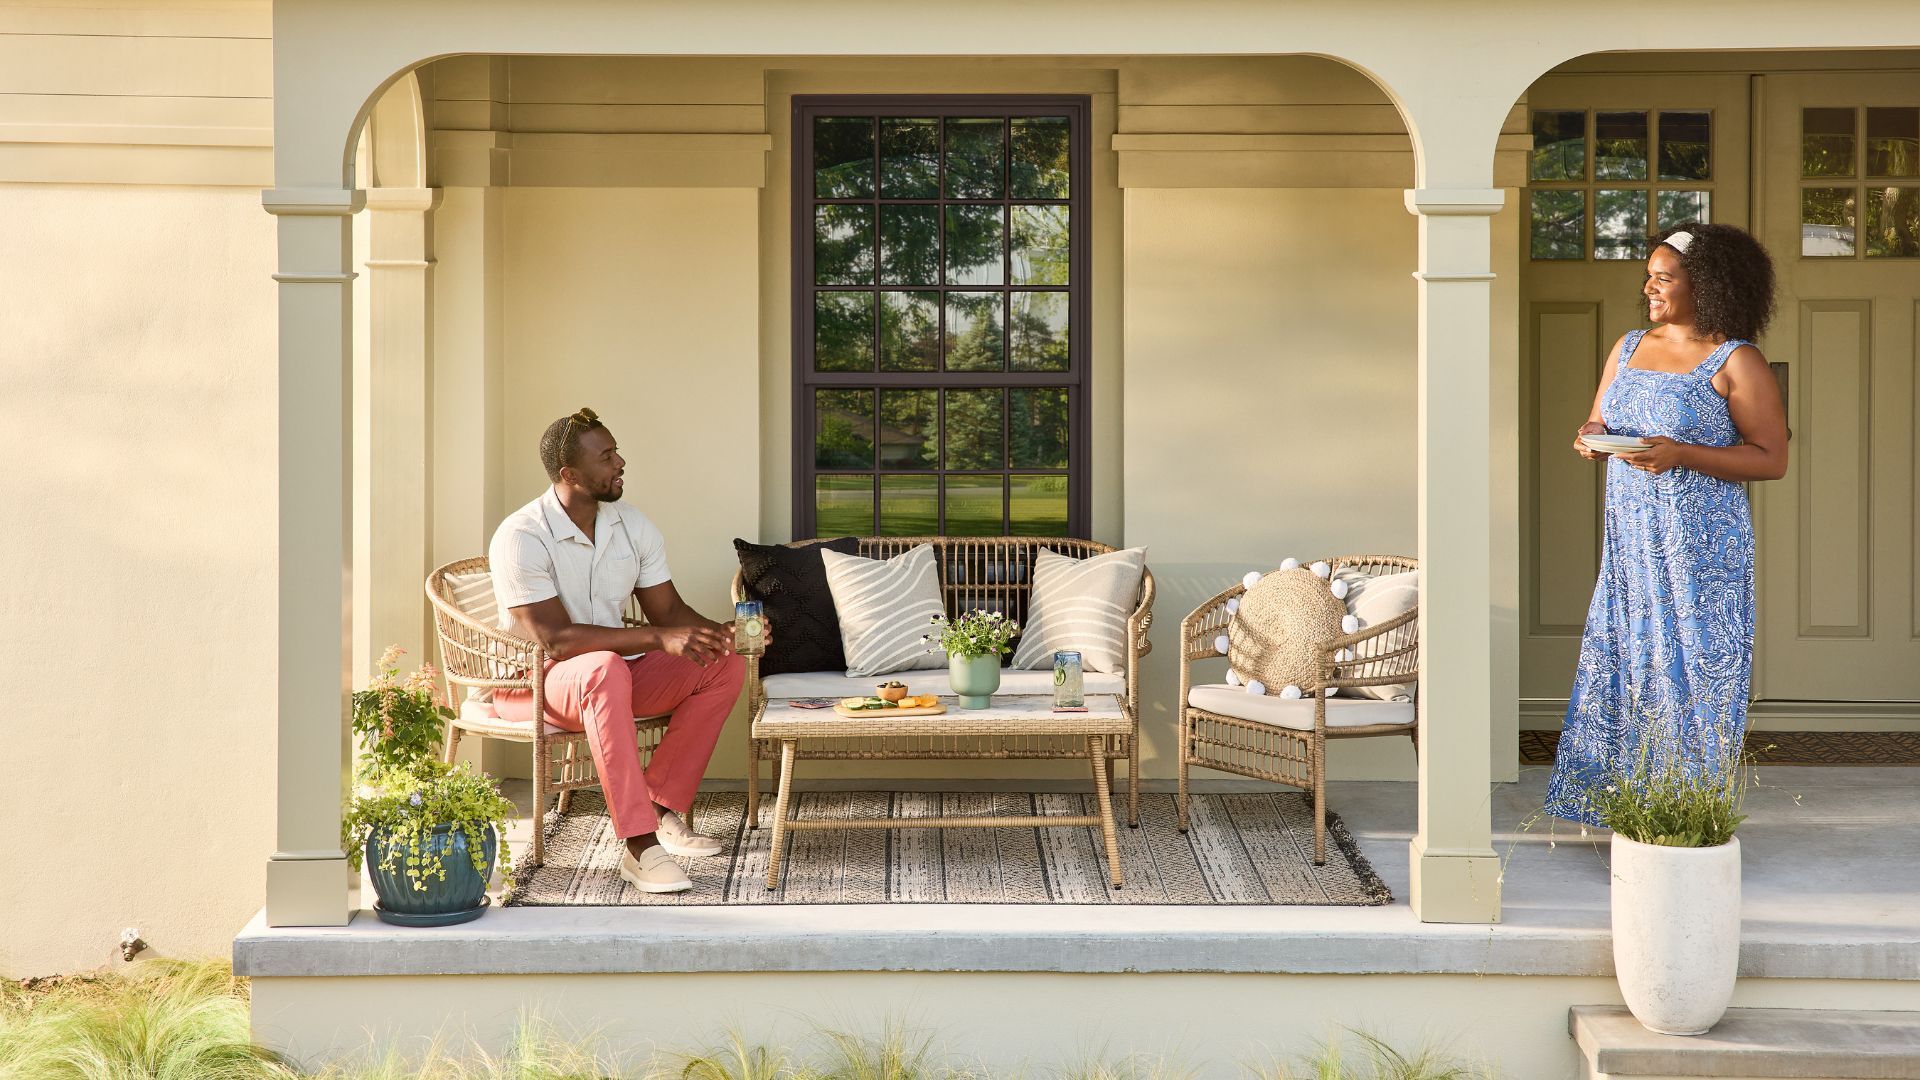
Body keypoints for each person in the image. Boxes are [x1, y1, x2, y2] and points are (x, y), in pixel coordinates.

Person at [1544, 224, 1787, 826]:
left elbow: (1771, 457)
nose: (1649, 286)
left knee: (1697, 664)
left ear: (1705, 285)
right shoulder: (1629, 347)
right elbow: (1600, 418)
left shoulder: (1738, 361)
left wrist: (1684, 452)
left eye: (1663, 277)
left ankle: (1685, 811)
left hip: (1701, 544)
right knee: (1627, 656)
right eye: (1649, 274)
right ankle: (1624, 806)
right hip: (1631, 540)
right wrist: (1592, 439)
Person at [488, 407, 753, 893]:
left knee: (724, 664)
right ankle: (638, 846)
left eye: (616, 451)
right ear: (569, 474)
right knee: (603, 669)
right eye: (606, 455)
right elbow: (556, 640)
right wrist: (657, 640)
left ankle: (658, 806)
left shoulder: (630, 524)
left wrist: (723, 634)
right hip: (535, 684)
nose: (620, 462)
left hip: (615, 677)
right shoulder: (522, 536)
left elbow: (668, 613)